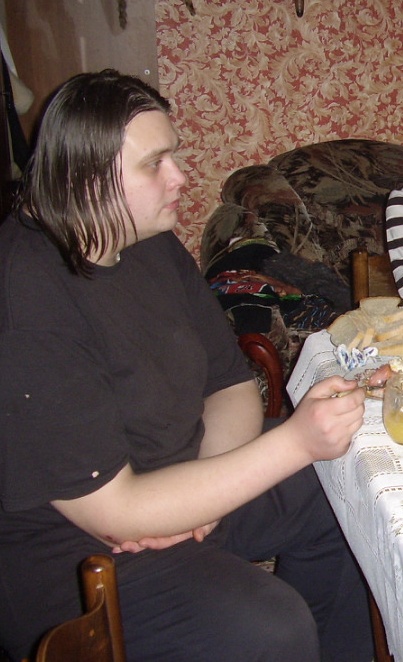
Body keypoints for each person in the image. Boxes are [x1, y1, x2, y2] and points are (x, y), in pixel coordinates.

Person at [0, 69, 374, 662]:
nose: (180, 176)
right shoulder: (26, 295)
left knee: (352, 483)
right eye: (156, 163)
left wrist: (205, 497)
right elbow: (115, 513)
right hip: (75, 549)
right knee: (270, 626)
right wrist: (297, 442)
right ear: (83, 179)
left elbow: (230, 383)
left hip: (174, 484)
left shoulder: (145, 239)